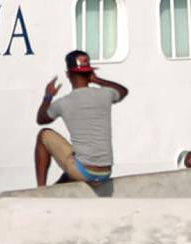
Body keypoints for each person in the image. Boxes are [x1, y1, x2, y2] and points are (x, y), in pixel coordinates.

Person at [35, 49, 127, 188]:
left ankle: (41, 188)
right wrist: (97, 80)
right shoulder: (106, 94)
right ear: (90, 72)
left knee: (44, 134)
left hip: (84, 171)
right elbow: (122, 91)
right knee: (75, 155)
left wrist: (48, 96)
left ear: (68, 74)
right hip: (105, 172)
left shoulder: (63, 102)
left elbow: (41, 119)